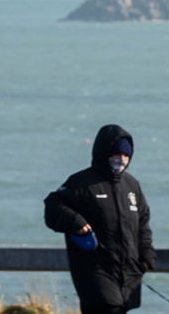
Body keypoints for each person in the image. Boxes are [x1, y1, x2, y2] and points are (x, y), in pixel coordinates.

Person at [44, 124, 156, 314]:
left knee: (120, 308)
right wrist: (76, 223)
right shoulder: (81, 183)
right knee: (109, 307)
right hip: (95, 269)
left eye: (126, 156)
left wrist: (146, 256)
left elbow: (143, 223)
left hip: (129, 271)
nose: (121, 160)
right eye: (116, 154)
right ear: (103, 153)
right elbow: (53, 207)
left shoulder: (132, 185)